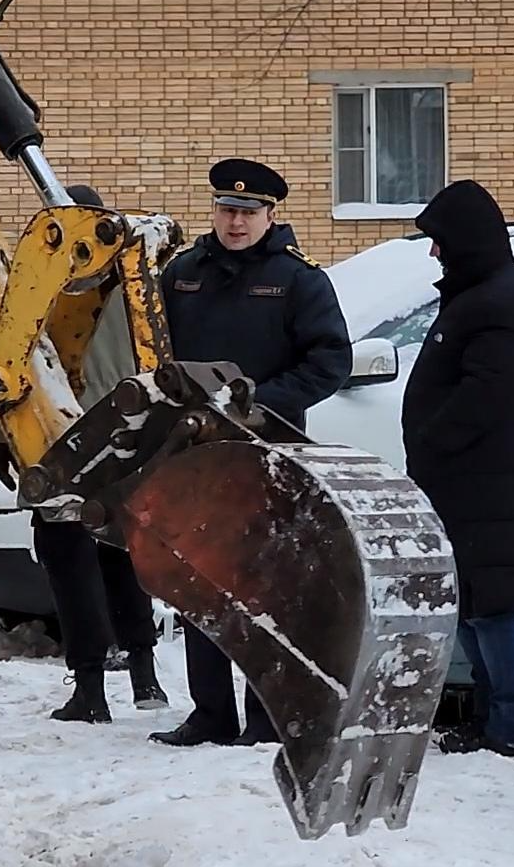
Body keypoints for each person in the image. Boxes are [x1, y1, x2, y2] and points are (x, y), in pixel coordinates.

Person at [147, 158, 352, 748]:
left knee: (265, 587)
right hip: (194, 451)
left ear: (271, 215)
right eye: (226, 210)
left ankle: (265, 718)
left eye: (248, 212)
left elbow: (329, 361)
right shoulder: (183, 274)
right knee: (196, 580)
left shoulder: (299, 281)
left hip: (268, 450)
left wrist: (258, 403)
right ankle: (209, 712)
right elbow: (153, 351)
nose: (235, 223)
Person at [399, 180, 514, 761]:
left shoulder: (498, 301)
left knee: (494, 607)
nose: (433, 252)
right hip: (466, 478)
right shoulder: (481, 293)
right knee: (472, 601)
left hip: (484, 478)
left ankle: (510, 726)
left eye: (438, 241)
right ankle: (489, 717)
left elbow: (487, 393)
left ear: (464, 241)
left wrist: (434, 440)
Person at [36, 183, 168, 724]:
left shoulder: (44, 290)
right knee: (121, 553)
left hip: (62, 442)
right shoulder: (135, 281)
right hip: (126, 439)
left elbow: (20, 368)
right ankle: (144, 675)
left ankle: (89, 687)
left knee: (69, 561)